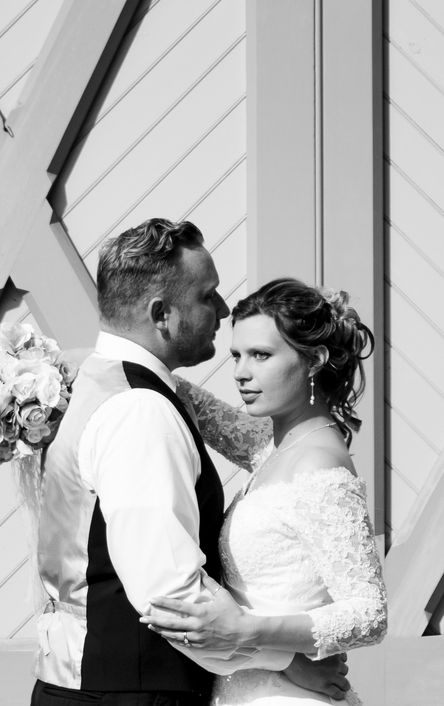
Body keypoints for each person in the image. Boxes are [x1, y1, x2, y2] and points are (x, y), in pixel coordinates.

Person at [30, 219, 348, 706]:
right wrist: (286, 660)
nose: (223, 309)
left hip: (83, 683)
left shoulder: (93, 382)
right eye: (208, 295)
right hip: (132, 695)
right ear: (162, 314)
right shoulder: (140, 410)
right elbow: (172, 597)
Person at [145, 278, 389, 705]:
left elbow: (370, 614)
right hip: (243, 688)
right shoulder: (271, 446)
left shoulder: (319, 465)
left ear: (314, 360)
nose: (241, 372)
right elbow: (191, 400)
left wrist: (248, 631)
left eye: (261, 355)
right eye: (237, 355)